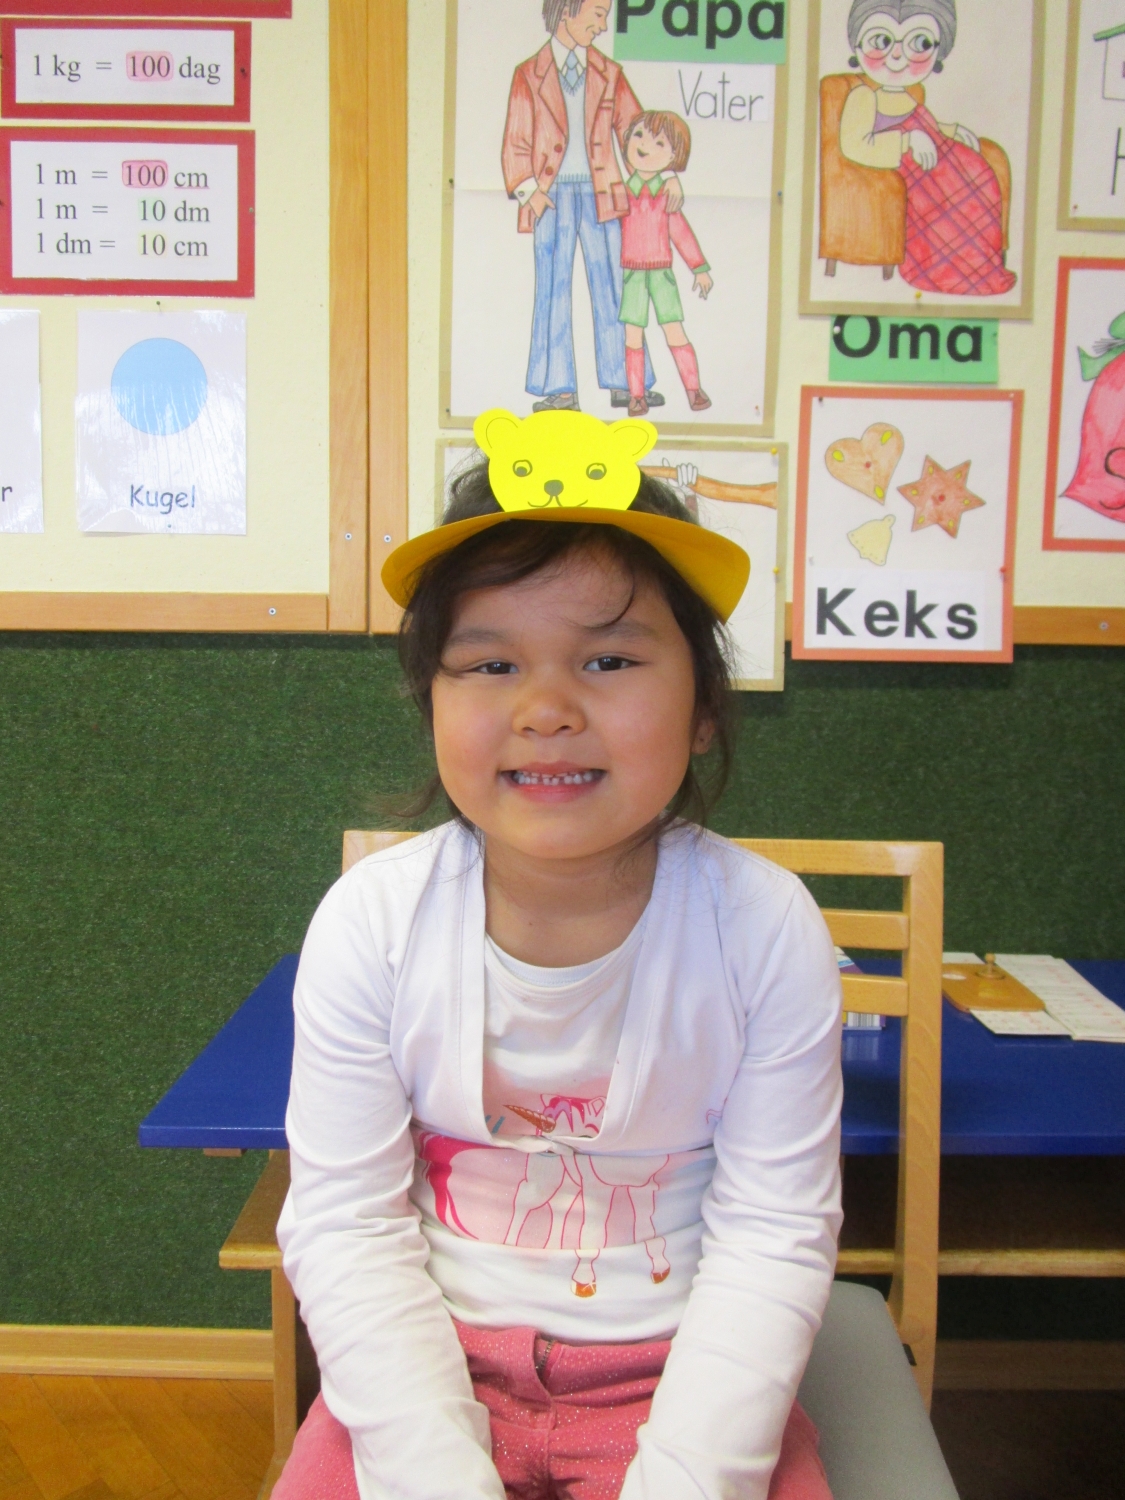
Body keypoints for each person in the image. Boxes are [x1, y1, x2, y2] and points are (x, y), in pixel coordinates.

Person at [273, 408, 842, 1500]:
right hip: (429, 1364)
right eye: (489, 663)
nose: (544, 709)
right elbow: (345, 1224)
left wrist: (685, 1479)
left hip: (682, 1373)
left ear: (704, 708)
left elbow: (774, 1234)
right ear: (431, 704)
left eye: (609, 658)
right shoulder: (371, 921)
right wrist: (437, 1472)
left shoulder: (763, 926)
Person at [502, 0, 677, 413]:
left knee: (615, 285)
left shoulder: (609, 72)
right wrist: (529, 190)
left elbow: (638, 130)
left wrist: (664, 174)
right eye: (598, 13)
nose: (603, 25)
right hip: (550, 197)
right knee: (553, 289)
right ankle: (558, 387)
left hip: (605, 194)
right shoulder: (528, 73)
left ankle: (626, 381)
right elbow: (516, 138)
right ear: (567, 10)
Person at [837, 0, 1016, 296]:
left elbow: (925, 124)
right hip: (913, 173)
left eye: (918, 43)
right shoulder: (863, 96)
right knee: (949, 196)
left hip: (938, 159)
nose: (897, 55)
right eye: (881, 41)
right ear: (857, 44)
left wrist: (952, 130)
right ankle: (945, 272)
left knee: (980, 176)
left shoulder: (909, 95)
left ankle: (980, 267)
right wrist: (906, 141)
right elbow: (855, 145)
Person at [618, 112, 713, 417]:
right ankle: (636, 396)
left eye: (659, 143)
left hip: (661, 273)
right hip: (632, 274)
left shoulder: (667, 193)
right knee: (633, 335)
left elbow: (680, 232)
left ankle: (694, 390)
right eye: (639, 136)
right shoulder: (621, 192)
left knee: (674, 330)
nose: (645, 146)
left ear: (674, 156)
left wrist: (699, 267)